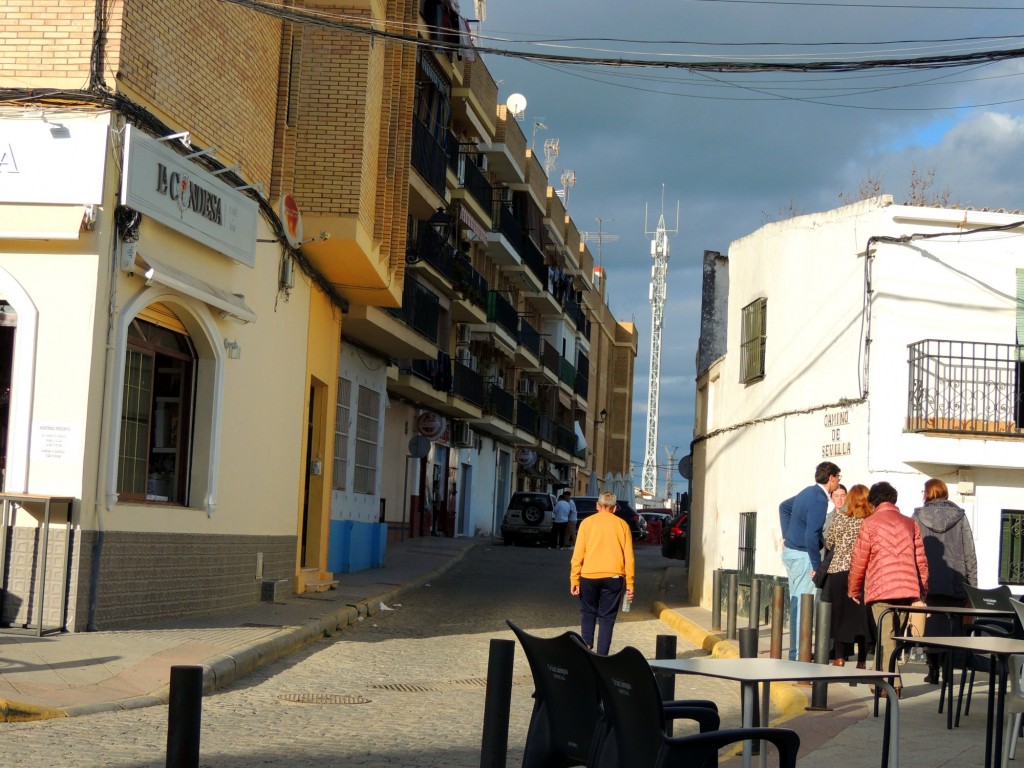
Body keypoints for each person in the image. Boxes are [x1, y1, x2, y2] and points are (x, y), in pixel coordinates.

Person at [848, 481, 929, 697]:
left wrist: (854, 589)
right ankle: (878, 683)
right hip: (907, 588)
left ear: (873, 501)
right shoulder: (910, 524)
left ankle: (893, 685)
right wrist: (921, 589)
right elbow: (920, 560)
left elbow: (859, 560)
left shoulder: (870, 524)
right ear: (893, 499)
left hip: (880, 588)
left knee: (886, 637)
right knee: (892, 638)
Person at [912, 477, 978, 684]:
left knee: (931, 624)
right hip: (955, 581)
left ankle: (933, 670)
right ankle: (949, 670)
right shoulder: (960, 516)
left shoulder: (917, 517)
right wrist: (973, 587)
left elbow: (912, 551)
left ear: (927, 493)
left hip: (927, 581)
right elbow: (969, 552)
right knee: (954, 627)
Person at [779, 461, 842, 659]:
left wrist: (787, 536)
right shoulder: (819, 500)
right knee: (803, 606)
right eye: (838, 477)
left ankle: (796, 653)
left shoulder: (808, 492)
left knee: (797, 602)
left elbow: (783, 507)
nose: (839, 481)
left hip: (792, 552)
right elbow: (811, 535)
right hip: (803, 556)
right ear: (831, 477)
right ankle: (798, 655)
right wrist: (817, 568)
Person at [570, 491, 635, 655]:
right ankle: (602, 655)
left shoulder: (586, 523)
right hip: (614, 577)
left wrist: (574, 579)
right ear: (614, 509)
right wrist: (630, 584)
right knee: (607, 617)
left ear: (597, 506)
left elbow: (578, 554)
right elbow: (629, 557)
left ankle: (586, 646)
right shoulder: (623, 525)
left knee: (588, 612)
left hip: (589, 576)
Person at [825, 484, 874, 668]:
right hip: (863, 573)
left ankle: (839, 657)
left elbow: (829, 542)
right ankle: (861, 660)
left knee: (840, 615)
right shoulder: (870, 521)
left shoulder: (840, 519)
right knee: (863, 617)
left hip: (839, 572)